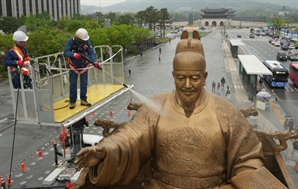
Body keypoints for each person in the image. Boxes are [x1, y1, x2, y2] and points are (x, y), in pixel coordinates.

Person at [73, 32, 269, 189]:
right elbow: (130, 136)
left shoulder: (226, 112)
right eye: (181, 78)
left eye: (194, 78)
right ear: (173, 75)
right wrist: (106, 150)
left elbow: (249, 157)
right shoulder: (157, 106)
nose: (187, 85)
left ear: (205, 77)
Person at [64, 28, 100, 109]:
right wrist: (74, 55)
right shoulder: (71, 41)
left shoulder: (87, 42)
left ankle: (83, 99)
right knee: (73, 84)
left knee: (84, 83)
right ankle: (72, 101)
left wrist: (94, 62)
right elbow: (66, 52)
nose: (83, 42)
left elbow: (91, 52)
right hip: (73, 66)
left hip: (84, 64)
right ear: (77, 37)